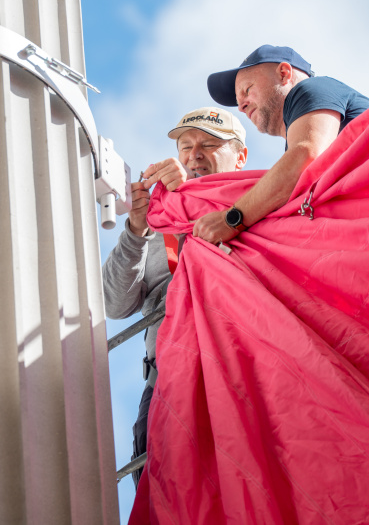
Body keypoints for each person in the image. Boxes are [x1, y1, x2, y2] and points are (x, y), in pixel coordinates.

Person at [102, 107, 248, 486]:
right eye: (186, 146)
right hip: (164, 387)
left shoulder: (257, 207)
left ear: (241, 158)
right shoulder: (154, 227)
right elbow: (115, 305)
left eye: (210, 144)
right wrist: (137, 229)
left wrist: (192, 199)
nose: (194, 154)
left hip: (244, 378)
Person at [193, 44, 369, 243]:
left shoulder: (310, 88)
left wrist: (231, 220)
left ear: (284, 73)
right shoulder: (295, 147)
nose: (242, 107)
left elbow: (306, 157)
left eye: (247, 89)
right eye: (238, 101)